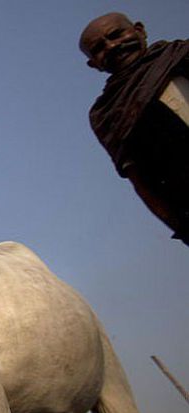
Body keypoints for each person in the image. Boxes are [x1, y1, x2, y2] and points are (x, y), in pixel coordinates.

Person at [80, 13, 188, 246]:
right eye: (99, 48)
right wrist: (181, 226)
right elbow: (140, 180)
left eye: (117, 35)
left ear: (139, 30)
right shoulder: (107, 113)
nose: (112, 47)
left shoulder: (182, 54)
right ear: (94, 64)